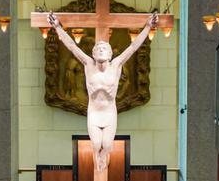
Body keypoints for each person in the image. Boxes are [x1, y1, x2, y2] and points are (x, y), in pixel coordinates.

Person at [48, 10, 157, 171]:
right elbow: (72, 46)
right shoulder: (88, 64)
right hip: (94, 112)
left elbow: (133, 47)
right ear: (93, 53)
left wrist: (148, 27)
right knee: (96, 144)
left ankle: (104, 155)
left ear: (110, 54)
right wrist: (57, 27)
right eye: (98, 48)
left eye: (104, 48)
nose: (100, 50)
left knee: (106, 145)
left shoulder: (116, 65)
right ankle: (97, 155)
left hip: (109, 112)